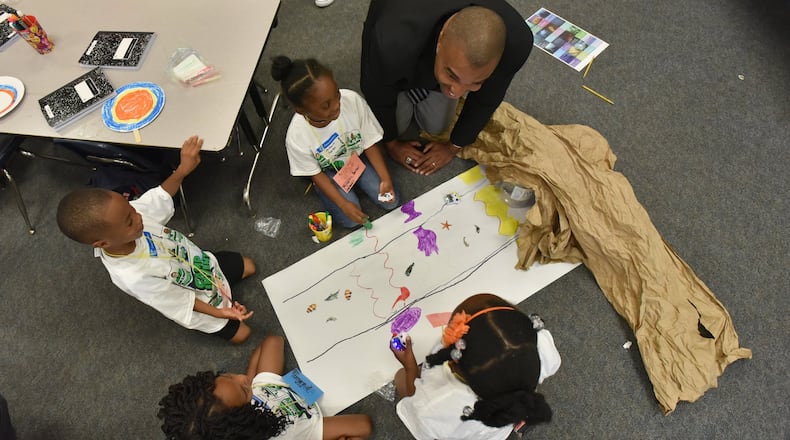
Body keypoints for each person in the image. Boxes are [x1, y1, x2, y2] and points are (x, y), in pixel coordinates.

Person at [56, 136, 255, 344]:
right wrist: (220, 313)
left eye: (131, 207)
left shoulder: (130, 215)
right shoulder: (133, 276)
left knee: (249, 266)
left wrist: (182, 170)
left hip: (205, 265)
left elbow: (159, 197)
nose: (139, 216)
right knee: (243, 335)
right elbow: (179, 301)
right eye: (129, 221)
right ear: (103, 243)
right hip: (196, 298)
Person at [361, 0, 534, 175]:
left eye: (477, 82)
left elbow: (488, 98)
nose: (456, 93)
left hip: (428, 50)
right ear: (442, 38)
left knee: (437, 126)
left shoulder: (516, 44)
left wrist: (453, 147)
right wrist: (391, 143)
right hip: (399, 26)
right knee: (394, 127)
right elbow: (376, 89)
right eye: (452, 75)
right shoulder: (391, 38)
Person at [390, 293, 561, 440]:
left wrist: (410, 365)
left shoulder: (441, 403)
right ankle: (515, 422)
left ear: (454, 361)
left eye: (452, 331)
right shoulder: (540, 345)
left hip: (460, 429)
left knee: (399, 376)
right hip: (497, 428)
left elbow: (420, 418)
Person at [158, 335, 373, 439]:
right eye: (243, 390)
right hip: (304, 425)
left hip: (267, 390)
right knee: (364, 425)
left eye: (228, 376)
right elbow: (364, 425)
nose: (242, 377)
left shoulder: (250, 387)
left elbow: (273, 342)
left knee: (272, 341)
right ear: (240, 422)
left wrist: (252, 382)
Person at [271, 55, 399, 228]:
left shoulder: (351, 100)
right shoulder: (296, 137)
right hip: (328, 171)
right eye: (326, 106)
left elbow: (369, 141)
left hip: (355, 158)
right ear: (301, 111)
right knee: (349, 220)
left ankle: (361, 183)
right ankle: (333, 195)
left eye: (337, 94)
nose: (337, 105)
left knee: (391, 200)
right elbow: (316, 174)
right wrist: (343, 204)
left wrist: (385, 178)